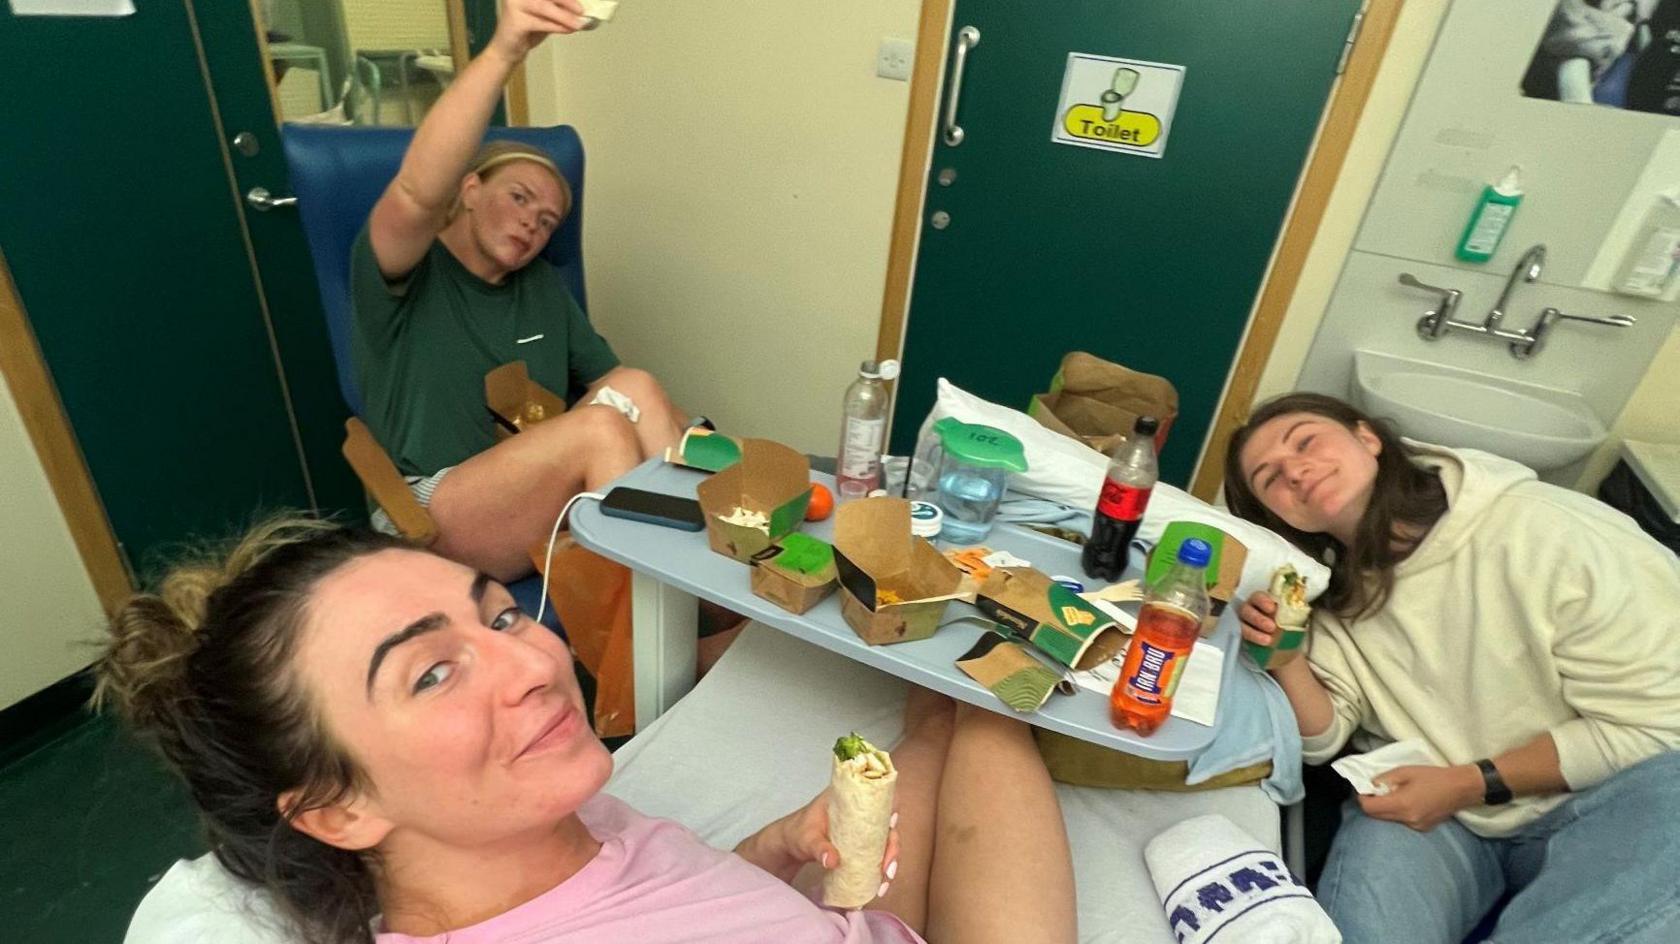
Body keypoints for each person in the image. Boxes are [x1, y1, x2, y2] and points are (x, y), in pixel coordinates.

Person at [96, 519, 1078, 944]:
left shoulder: (549, 815)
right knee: (997, 699)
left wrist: (772, 853)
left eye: (502, 613)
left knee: (943, 707)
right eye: (432, 671)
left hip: (856, 914)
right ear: (336, 806)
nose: (536, 662)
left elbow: (653, 902)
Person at [1222, 392, 1680, 944]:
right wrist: (1288, 661)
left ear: (1368, 437)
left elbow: (1661, 728)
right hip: (1445, 817)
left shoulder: (1549, 534)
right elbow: (1322, 740)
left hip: (1607, 805)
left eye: (1306, 441)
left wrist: (1469, 782)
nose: (1294, 471)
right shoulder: (1325, 591)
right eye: (1269, 478)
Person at [354, 0, 686, 582]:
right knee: (599, 429)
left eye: (550, 220)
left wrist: (706, 457)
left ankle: (695, 585)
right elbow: (415, 192)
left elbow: (620, 386)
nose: (535, 221)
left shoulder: (539, 287)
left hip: (529, 486)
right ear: (472, 187)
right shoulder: (401, 272)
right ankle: (665, 622)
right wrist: (505, 49)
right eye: (520, 197)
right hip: (427, 511)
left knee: (636, 384)